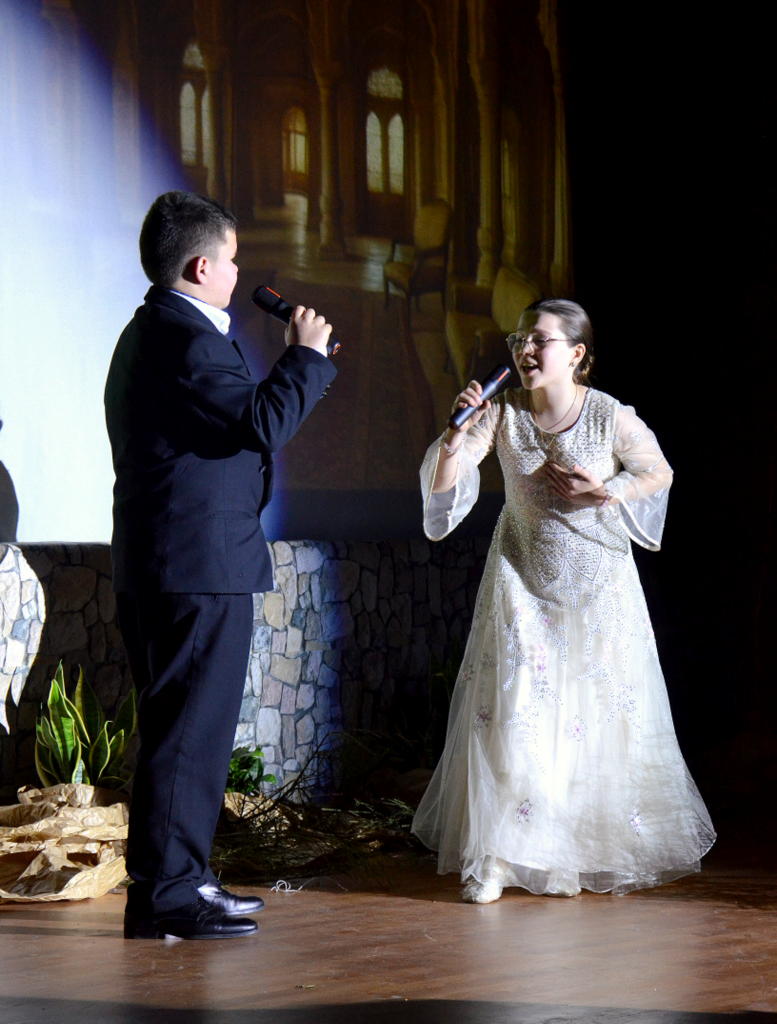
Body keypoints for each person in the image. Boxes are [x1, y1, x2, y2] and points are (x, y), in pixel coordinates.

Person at [412, 298, 715, 903]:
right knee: (515, 709)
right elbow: (447, 486)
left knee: (593, 715)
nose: (524, 350)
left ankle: (573, 851)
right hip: (520, 577)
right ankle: (497, 857)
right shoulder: (502, 413)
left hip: (600, 584)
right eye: (519, 339)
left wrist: (605, 492)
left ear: (576, 354)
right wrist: (456, 432)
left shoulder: (607, 414)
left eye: (539, 340)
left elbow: (658, 471)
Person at [105, 191, 337, 938]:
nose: (239, 274)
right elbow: (262, 421)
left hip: (175, 562)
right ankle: (169, 895)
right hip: (195, 567)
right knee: (188, 731)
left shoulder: (156, 331)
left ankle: (179, 882)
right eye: (232, 260)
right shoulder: (185, 339)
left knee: (184, 729)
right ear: (202, 266)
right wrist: (305, 357)